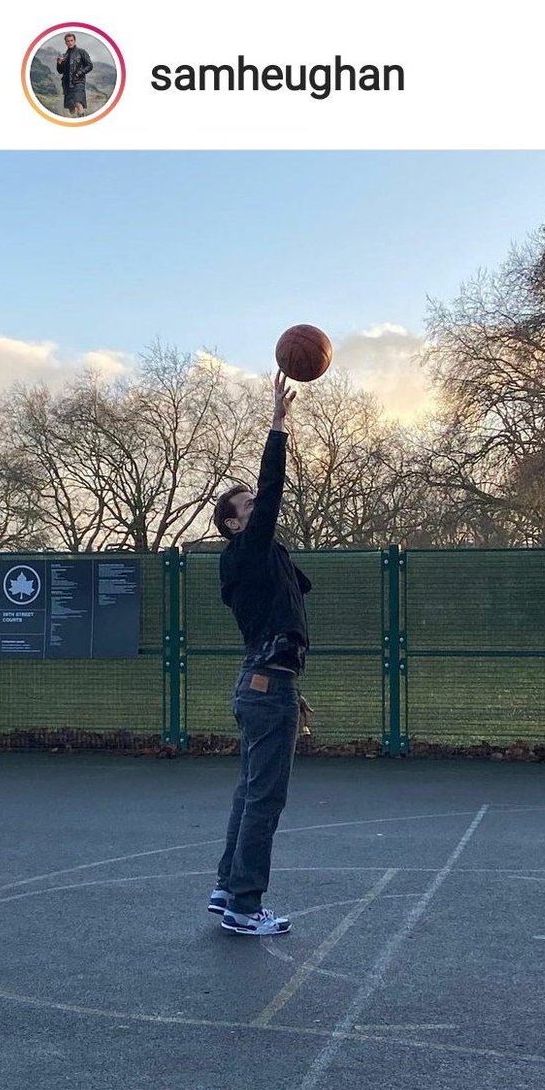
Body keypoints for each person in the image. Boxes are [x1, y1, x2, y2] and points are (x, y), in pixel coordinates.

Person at [209, 371, 312, 935]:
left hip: (262, 683)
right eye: (248, 507)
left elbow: (295, 587)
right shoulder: (245, 553)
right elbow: (271, 491)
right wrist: (277, 425)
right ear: (232, 524)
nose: (260, 507)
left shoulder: (260, 559)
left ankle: (228, 887)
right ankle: (246, 906)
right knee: (265, 799)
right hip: (268, 690)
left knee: (250, 793)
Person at [55, 33, 93, 118]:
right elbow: (60, 71)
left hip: (78, 82)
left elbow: (90, 65)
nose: (70, 42)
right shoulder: (64, 55)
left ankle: (82, 121)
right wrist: (59, 63)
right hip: (67, 84)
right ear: (65, 43)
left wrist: (79, 73)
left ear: (75, 41)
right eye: (68, 41)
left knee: (78, 103)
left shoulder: (81, 52)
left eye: (71, 40)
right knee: (71, 107)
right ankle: (74, 123)